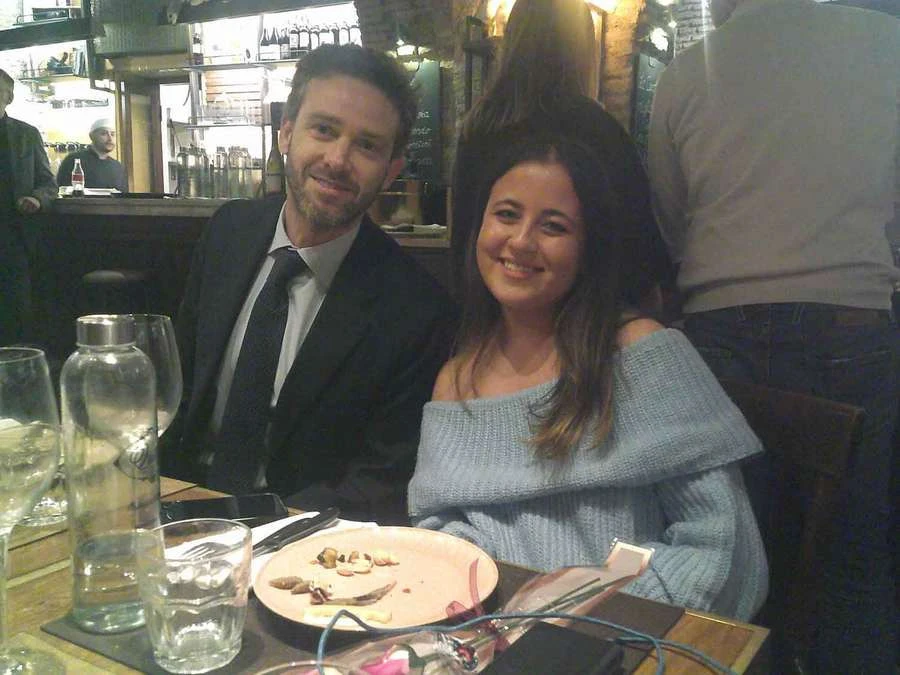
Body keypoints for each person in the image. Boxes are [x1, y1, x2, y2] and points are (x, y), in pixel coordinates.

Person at [408, 133, 768, 621]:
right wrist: (497, 605)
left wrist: (581, 615)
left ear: (588, 247)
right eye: (507, 214)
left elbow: (724, 551)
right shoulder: (455, 382)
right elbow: (439, 530)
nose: (521, 241)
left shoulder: (642, 354)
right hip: (489, 631)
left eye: (553, 226)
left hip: (630, 637)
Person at [647, 0, 899, 669]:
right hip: (853, 323)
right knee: (856, 563)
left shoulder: (687, 73)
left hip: (721, 333)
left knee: (728, 562)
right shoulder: (889, 42)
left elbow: (670, 222)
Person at [166, 45, 455, 525]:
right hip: (180, 512)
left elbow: (380, 479)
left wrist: (265, 532)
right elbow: (177, 390)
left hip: (302, 537)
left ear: (392, 169)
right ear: (286, 133)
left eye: (367, 146)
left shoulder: (417, 309)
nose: (338, 159)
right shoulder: (227, 233)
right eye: (324, 129)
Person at [451, 0, 674, 311]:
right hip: (582, 316)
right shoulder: (599, 130)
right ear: (582, 48)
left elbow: (462, 237)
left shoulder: (478, 128)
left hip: (489, 312)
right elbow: (638, 248)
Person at [0, 68, 57, 346]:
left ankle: (17, 366)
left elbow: (48, 183)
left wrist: (36, 199)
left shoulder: (26, 135)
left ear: (8, 97)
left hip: (14, 236)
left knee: (16, 312)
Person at [57, 118, 127, 192]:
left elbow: (123, 196)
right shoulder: (73, 161)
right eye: (104, 134)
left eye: (112, 134)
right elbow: (61, 191)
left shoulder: (117, 167)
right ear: (92, 136)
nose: (110, 138)